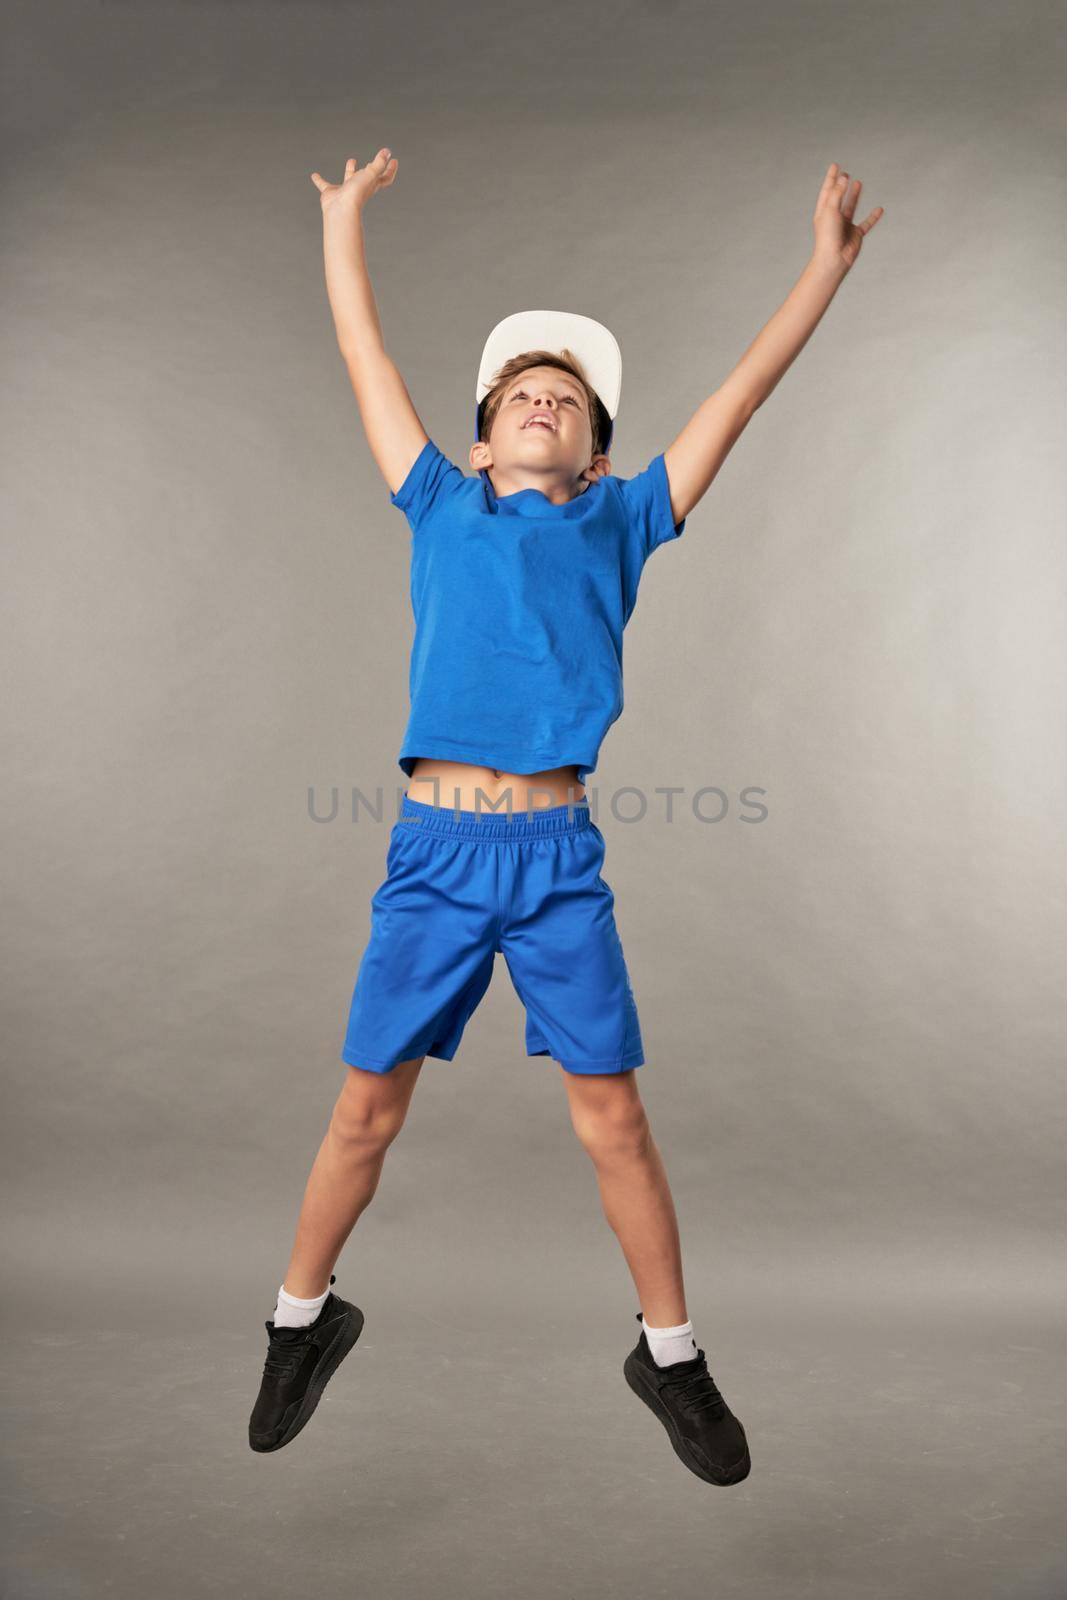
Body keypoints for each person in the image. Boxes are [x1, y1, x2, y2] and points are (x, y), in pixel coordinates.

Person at [247, 149, 883, 1478]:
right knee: (365, 1110)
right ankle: (302, 1320)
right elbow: (365, 356)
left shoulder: (625, 519)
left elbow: (740, 395)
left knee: (615, 1118)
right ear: (482, 439)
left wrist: (820, 270)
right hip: (435, 854)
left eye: (567, 399)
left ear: (597, 452)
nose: (543, 402)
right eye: (520, 395)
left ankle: (672, 1357)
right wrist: (342, 221)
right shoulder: (436, 500)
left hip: (553, 862)